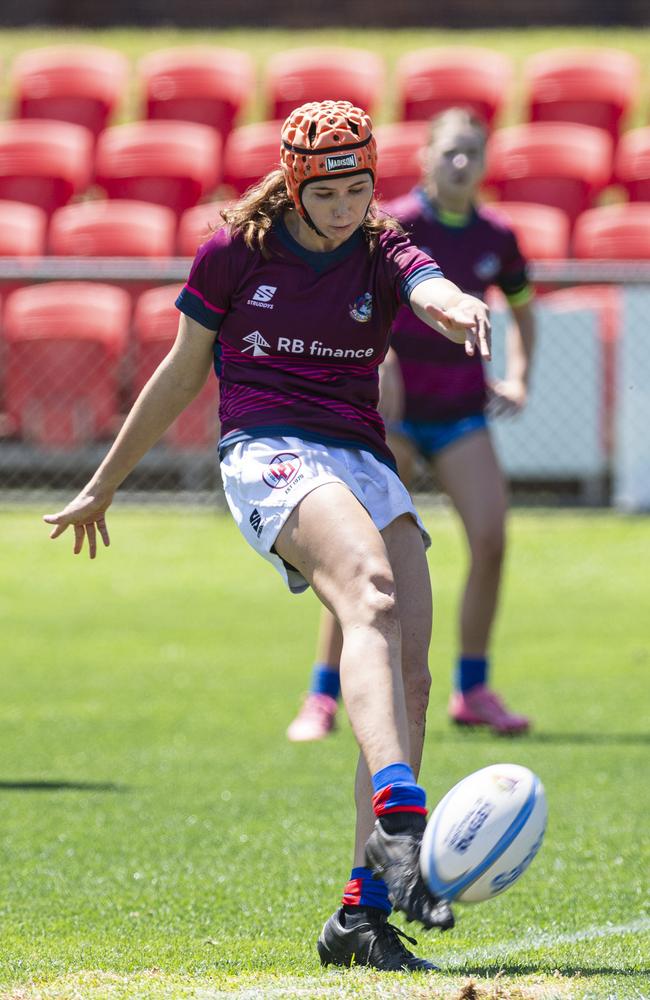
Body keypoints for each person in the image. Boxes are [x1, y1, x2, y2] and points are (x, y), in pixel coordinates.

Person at [43, 101, 491, 972]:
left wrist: (452, 302)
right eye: (331, 191)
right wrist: (102, 486)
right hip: (269, 449)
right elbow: (179, 378)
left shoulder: (381, 241)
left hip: (360, 453)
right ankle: (403, 807)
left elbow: (427, 283)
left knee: (412, 671)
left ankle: (362, 916)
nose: (349, 204)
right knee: (370, 591)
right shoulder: (233, 254)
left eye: (362, 187)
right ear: (294, 185)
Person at [287, 107, 535, 744]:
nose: (460, 164)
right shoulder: (390, 224)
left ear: (484, 163)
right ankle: (321, 695)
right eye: (449, 151)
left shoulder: (496, 236)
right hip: (387, 419)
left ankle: (473, 688)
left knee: (492, 539)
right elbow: (344, 304)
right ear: (425, 155)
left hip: (459, 414)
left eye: (471, 154)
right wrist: (382, 355)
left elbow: (523, 306)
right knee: (360, 560)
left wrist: (520, 374)